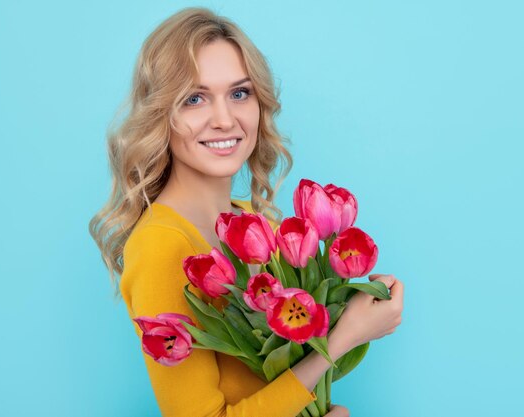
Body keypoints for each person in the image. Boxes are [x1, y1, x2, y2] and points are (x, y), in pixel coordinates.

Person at [89, 7, 404, 417]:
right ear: (160, 114)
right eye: (194, 99)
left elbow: (275, 378)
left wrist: (355, 305)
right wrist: (341, 342)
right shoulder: (161, 245)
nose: (225, 119)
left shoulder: (259, 227)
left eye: (240, 93)